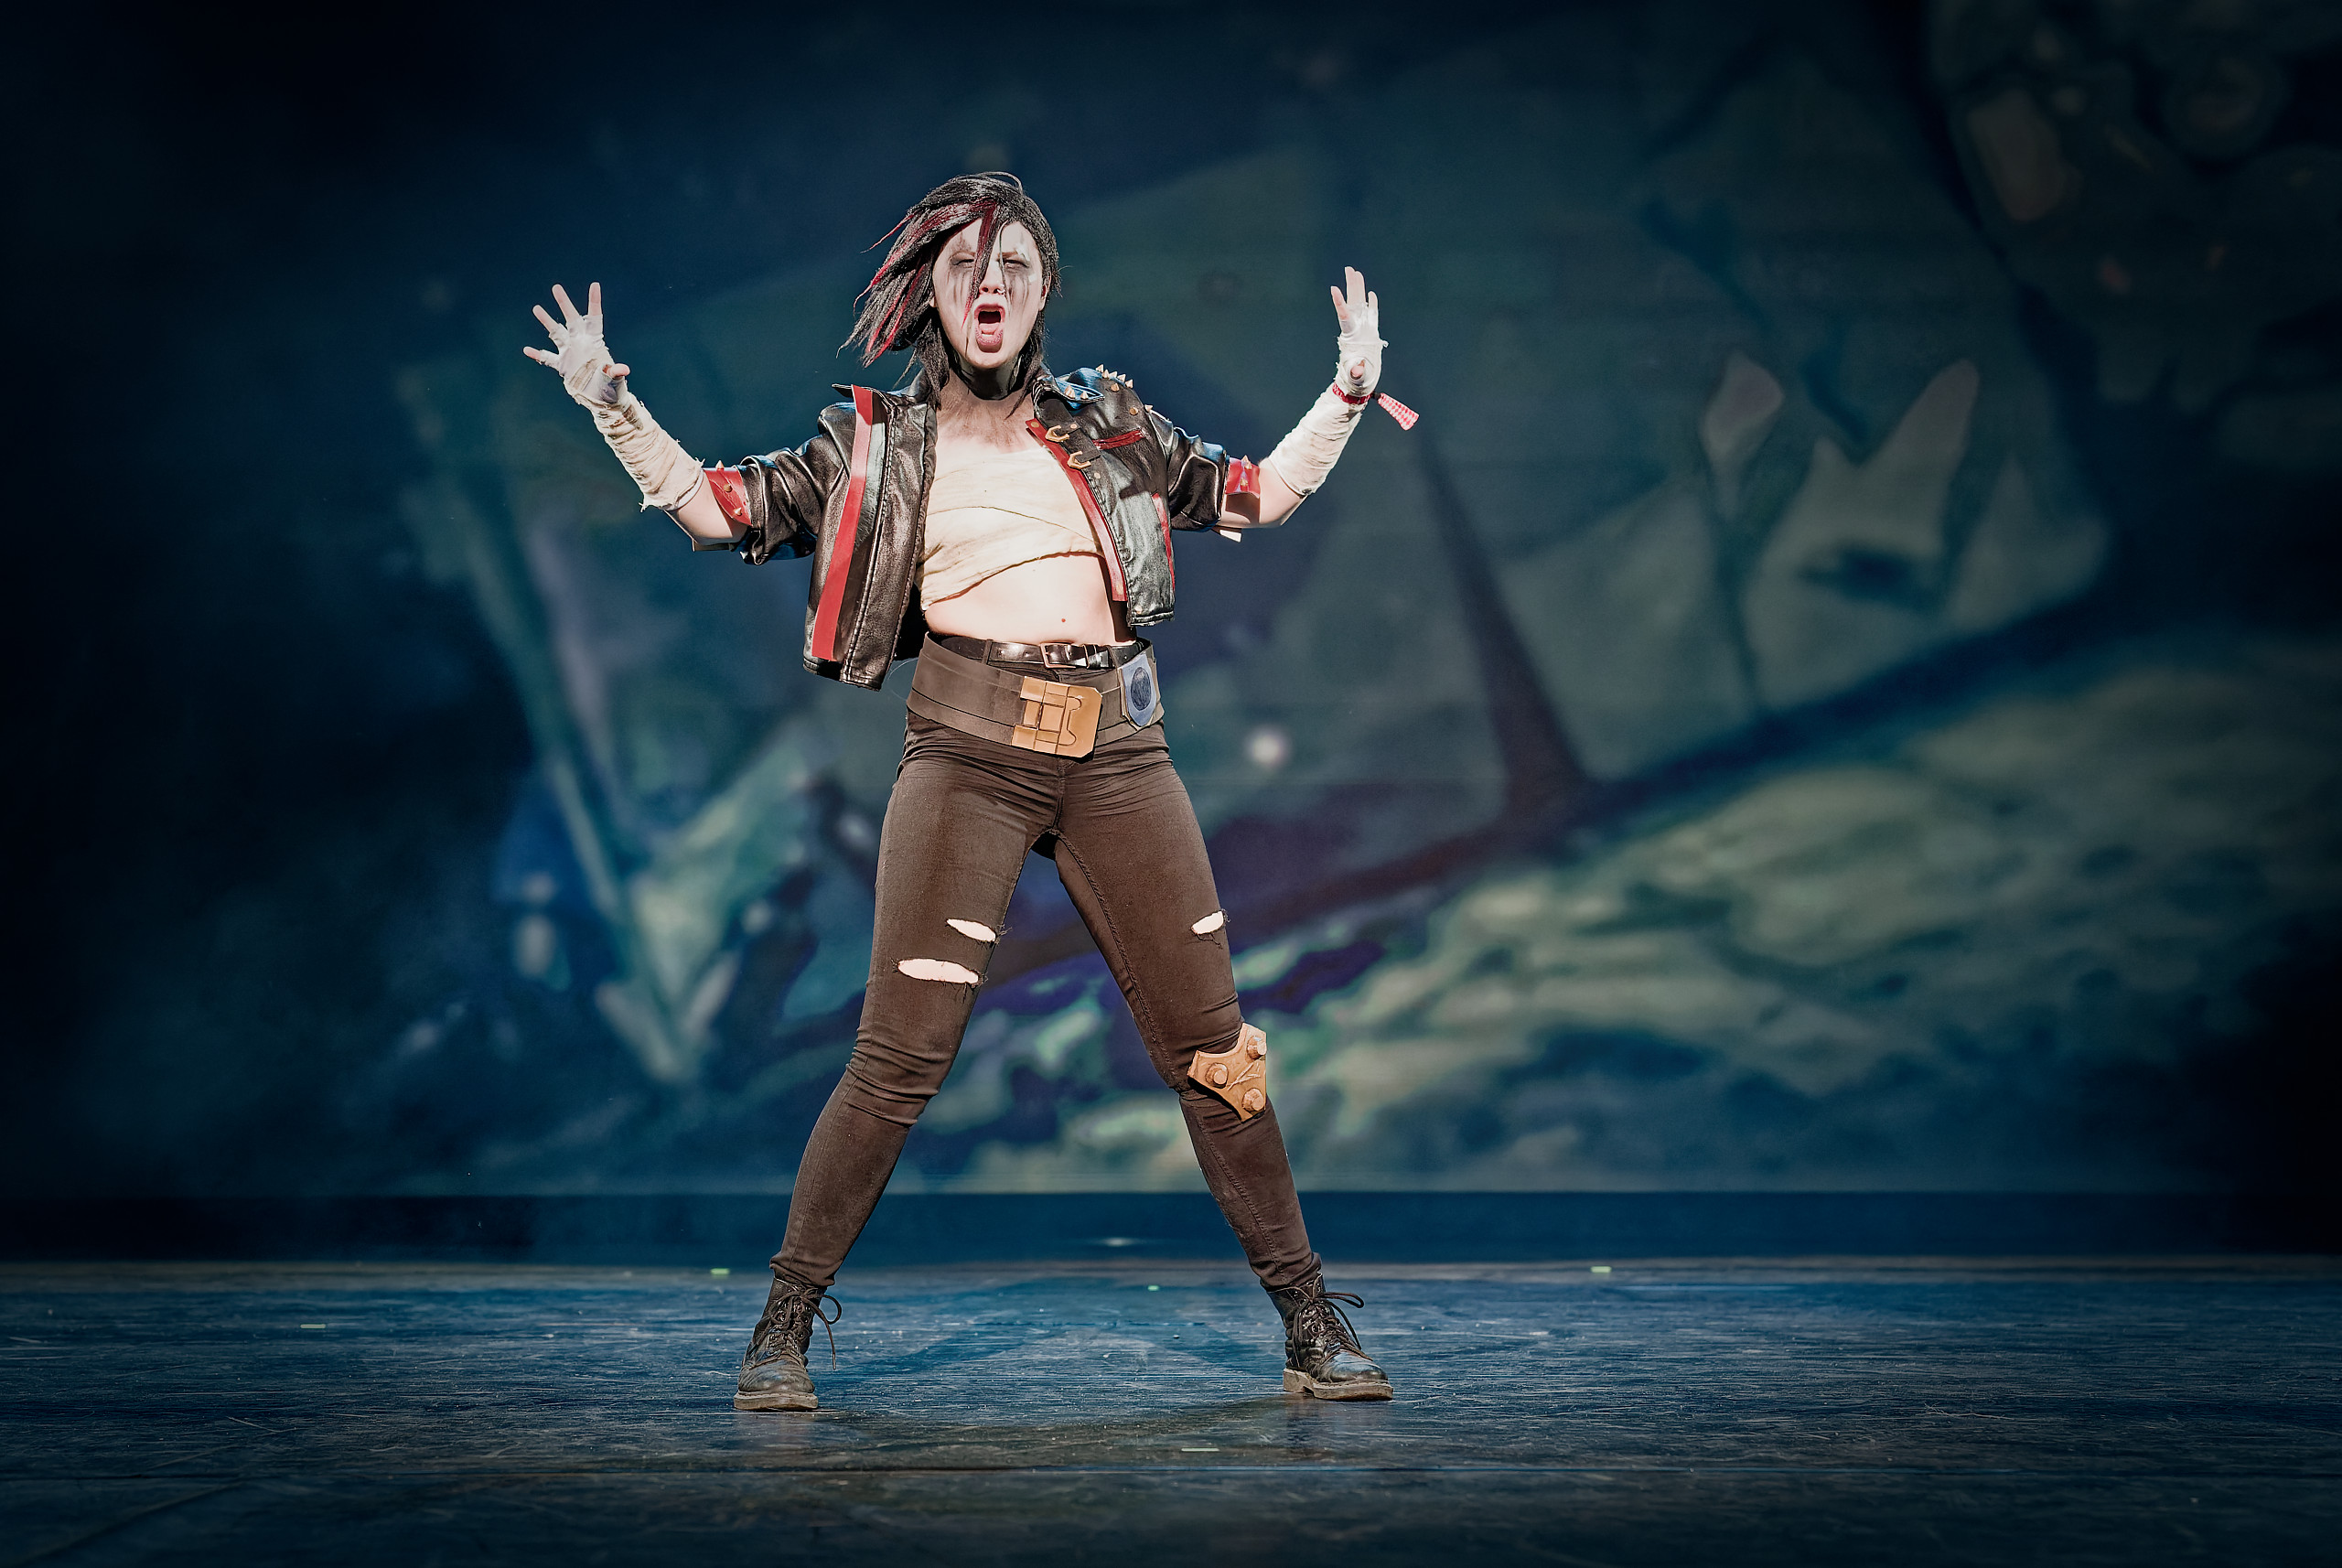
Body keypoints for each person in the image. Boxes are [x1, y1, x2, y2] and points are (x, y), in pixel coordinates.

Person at [525, 174, 1401, 1412]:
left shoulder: (1110, 422)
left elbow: (1255, 494)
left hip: (1119, 755)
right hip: (968, 758)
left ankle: (1311, 1321)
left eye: (1015, 270)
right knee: (898, 1057)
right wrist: (614, 407)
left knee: (1217, 1053)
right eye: (964, 271)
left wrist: (1349, 391)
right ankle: (782, 1326)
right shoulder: (877, 443)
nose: (990, 286)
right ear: (932, 298)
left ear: (1043, 296)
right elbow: (723, 513)